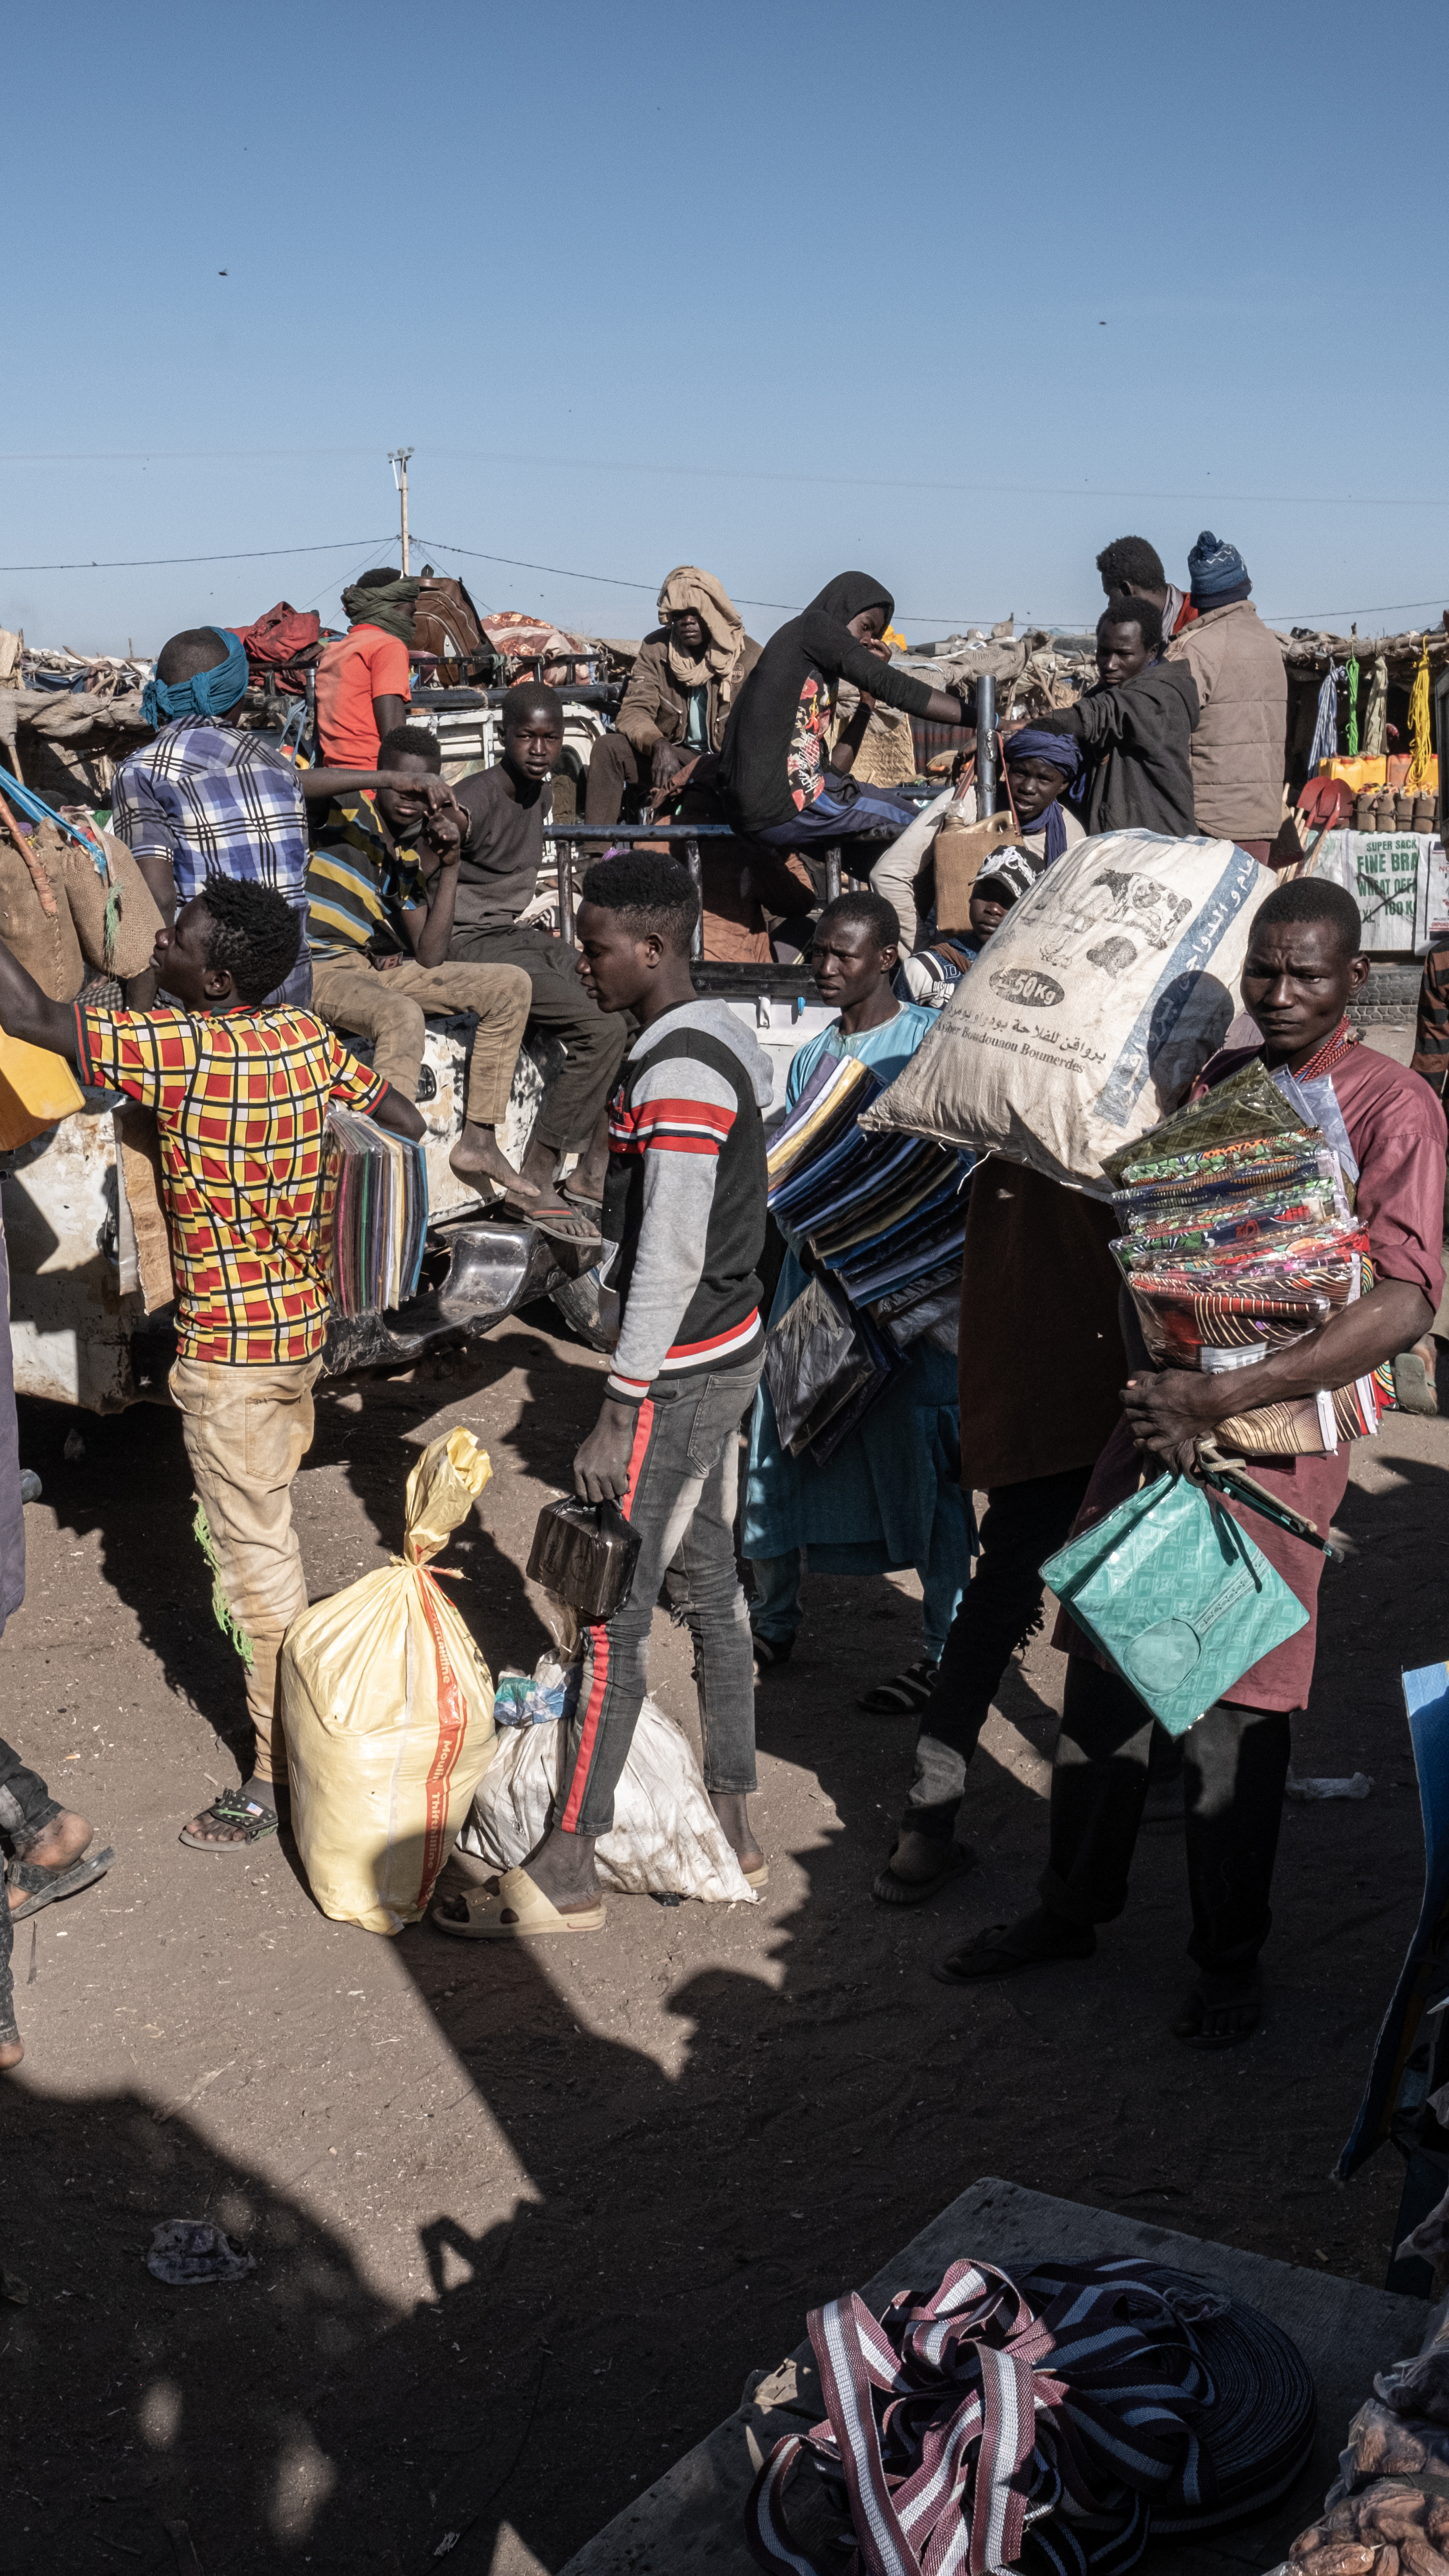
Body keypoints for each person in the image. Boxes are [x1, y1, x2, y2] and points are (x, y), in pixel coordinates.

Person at [934, 880, 1446, 2043]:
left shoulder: (1391, 1107)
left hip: (1269, 1446)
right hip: (1164, 1425)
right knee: (1109, 1675)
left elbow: (1406, 1305)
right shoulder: (1221, 1086)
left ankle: (1228, 1962)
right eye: (1264, 972)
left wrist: (1227, 1395)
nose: (1279, 993)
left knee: (1228, 1707)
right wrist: (1159, 1392)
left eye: (1306, 974)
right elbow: (1152, 1259)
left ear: (1352, 979)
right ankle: (1073, 1907)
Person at [0, 876, 426, 1851]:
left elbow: (28, 1014)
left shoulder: (185, 1052)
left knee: (258, 1573)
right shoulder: (305, 1041)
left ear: (219, 975)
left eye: (179, 938)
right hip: (298, 1337)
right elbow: (398, 1114)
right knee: (268, 1533)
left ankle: (277, 1779)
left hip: (229, 1361)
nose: (162, 940)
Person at [434, 854, 772, 1938]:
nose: (582, 961)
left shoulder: (676, 1071)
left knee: (612, 1615)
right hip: (727, 1349)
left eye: (596, 946)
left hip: (673, 1371)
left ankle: (569, 1858)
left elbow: (670, 1249)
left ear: (655, 948)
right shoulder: (717, 1033)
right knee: (711, 1581)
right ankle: (732, 1809)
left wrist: (621, 1401)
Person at [746, 892, 974, 1708]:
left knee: (929, 1469)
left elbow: (956, 1173)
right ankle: (771, 1623)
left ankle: (946, 1649)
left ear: (886, 957)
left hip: (913, 1293)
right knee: (777, 1445)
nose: (825, 967)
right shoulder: (811, 1058)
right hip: (820, 1287)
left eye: (843, 954)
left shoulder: (931, 1043)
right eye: (818, 953)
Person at [113, 625, 457, 1010]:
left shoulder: (142, 771)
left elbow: (156, 900)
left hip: (202, 993)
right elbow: (305, 781)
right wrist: (392, 777)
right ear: (238, 696)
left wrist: (136, 1019)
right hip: (291, 990)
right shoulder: (277, 765)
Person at [306, 726, 534, 1194]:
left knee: (511, 985)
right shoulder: (345, 809)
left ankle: (480, 1140)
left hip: (361, 969)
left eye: (421, 787)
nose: (410, 798)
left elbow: (431, 956)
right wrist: (385, 778)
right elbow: (293, 783)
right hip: (314, 966)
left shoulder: (405, 853)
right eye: (402, 786)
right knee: (400, 1015)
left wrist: (450, 865)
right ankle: (382, 1172)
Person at [448, 684, 630, 1240]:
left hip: (511, 933)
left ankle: (594, 1168)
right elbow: (437, 837)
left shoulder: (545, 794)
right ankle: (538, 1175)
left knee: (622, 1000)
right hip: (467, 944)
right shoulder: (474, 799)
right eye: (526, 736)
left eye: (551, 738)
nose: (538, 749)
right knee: (600, 1027)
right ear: (504, 737)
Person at [714, 572, 974, 857]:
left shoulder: (808, 677)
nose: (866, 641)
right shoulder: (814, 626)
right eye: (865, 627)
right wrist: (987, 720)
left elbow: (834, 772)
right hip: (785, 805)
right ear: (843, 608)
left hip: (758, 818)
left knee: (873, 857)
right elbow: (896, 687)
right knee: (923, 824)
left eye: (874, 636)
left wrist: (867, 703)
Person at [584, 566, 762, 823]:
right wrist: (659, 744)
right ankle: (596, 857)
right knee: (609, 748)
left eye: (695, 613)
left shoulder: (750, 658)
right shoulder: (656, 649)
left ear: (714, 613)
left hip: (728, 766)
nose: (686, 621)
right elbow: (634, 711)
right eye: (678, 615)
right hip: (677, 757)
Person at [1028, 598, 1199, 837]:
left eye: (1124, 654)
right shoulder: (1102, 692)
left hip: (1157, 844)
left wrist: (1024, 727)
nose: (1110, 664)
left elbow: (1102, 714)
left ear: (1153, 652)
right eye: (1103, 652)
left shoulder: (1161, 696)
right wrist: (1045, 725)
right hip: (1116, 842)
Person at [1165, 534, 1288, 861]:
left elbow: (1164, 733)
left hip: (1211, 824)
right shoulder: (1268, 642)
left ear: (1201, 598)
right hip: (1262, 818)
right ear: (1244, 587)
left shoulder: (1193, 649)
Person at [898, 852, 1034, 1010]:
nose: (994, 909)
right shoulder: (925, 969)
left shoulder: (1044, 974)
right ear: (970, 897)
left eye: (1010, 900)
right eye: (985, 894)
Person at [314, 569, 418, 770]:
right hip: (373, 781)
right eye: (410, 614)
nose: (413, 624)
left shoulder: (334, 650)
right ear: (391, 607)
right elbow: (394, 734)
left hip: (337, 780)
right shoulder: (388, 646)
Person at [1000, 730, 1090, 868]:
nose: (1028, 788)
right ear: (1008, 769)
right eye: (1021, 773)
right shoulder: (974, 804)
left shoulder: (1072, 836)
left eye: (1043, 779)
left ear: (1063, 786)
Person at [1096, 535, 1196, 642]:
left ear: (1127, 591)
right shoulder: (1139, 635)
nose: (1110, 605)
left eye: (1110, 596)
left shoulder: (1200, 620)